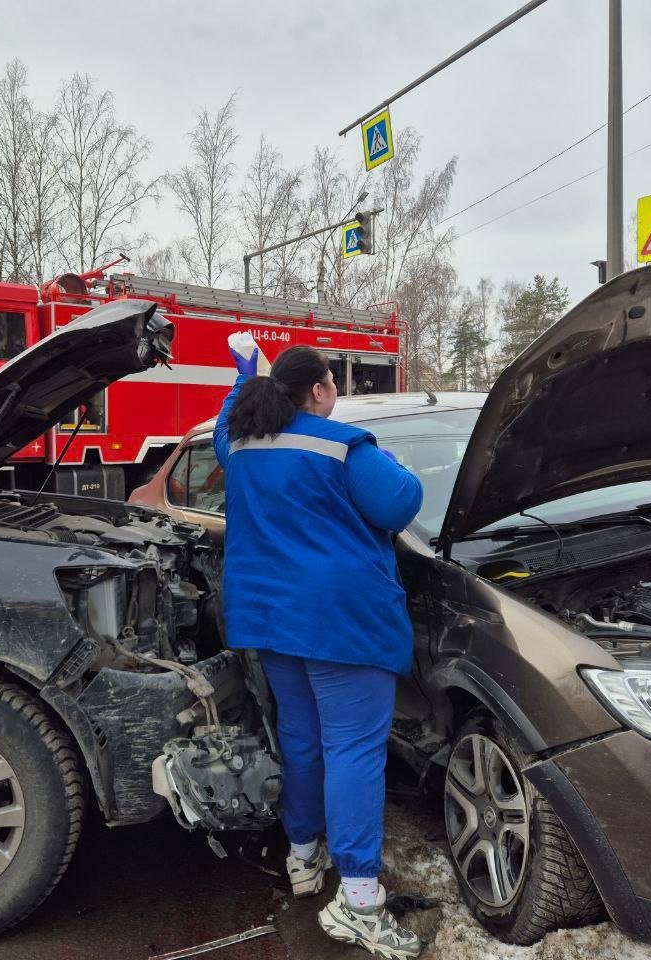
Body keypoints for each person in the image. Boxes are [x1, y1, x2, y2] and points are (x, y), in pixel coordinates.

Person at [213, 336, 425, 959]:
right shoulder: (342, 446)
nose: (337, 392)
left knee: (303, 741)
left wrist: (241, 373)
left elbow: (227, 425)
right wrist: (390, 458)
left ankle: (304, 856)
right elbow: (403, 502)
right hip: (341, 624)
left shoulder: (243, 446)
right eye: (333, 381)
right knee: (354, 750)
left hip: (273, 623)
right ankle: (359, 902)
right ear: (317, 391)